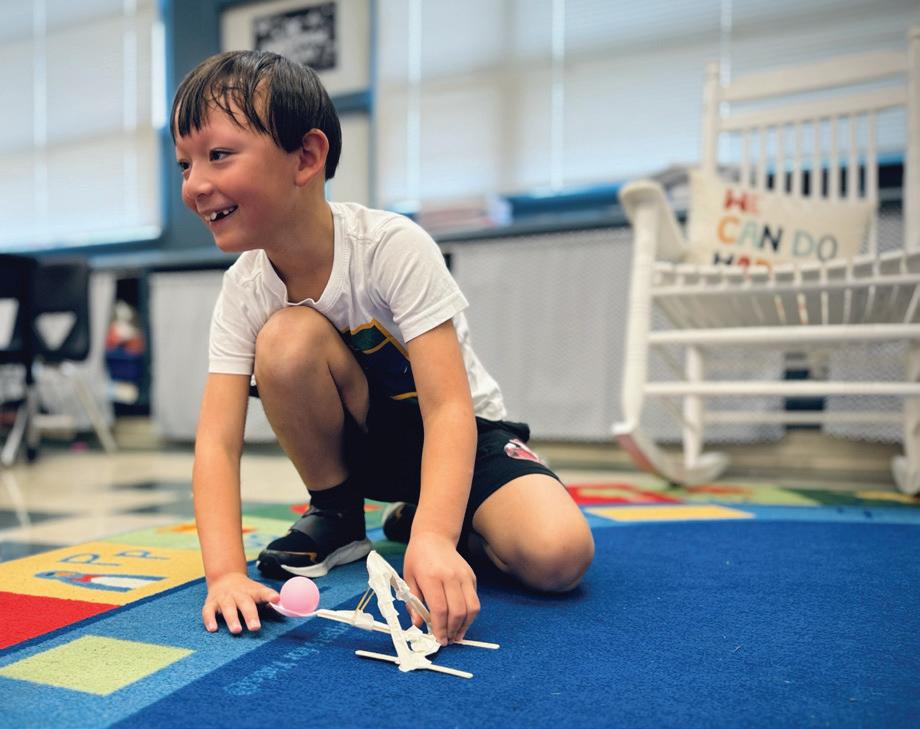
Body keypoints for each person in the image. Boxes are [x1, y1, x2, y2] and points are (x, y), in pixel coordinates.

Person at [172, 50, 594, 645]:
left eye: (218, 154)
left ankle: (440, 518)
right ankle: (337, 514)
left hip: (463, 438)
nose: (195, 184)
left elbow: (448, 408)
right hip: (368, 447)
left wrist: (435, 538)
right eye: (184, 164)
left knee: (560, 557)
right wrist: (224, 576)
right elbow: (216, 443)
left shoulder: (391, 246)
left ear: (306, 157)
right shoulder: (244, 288)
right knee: (287, 337)